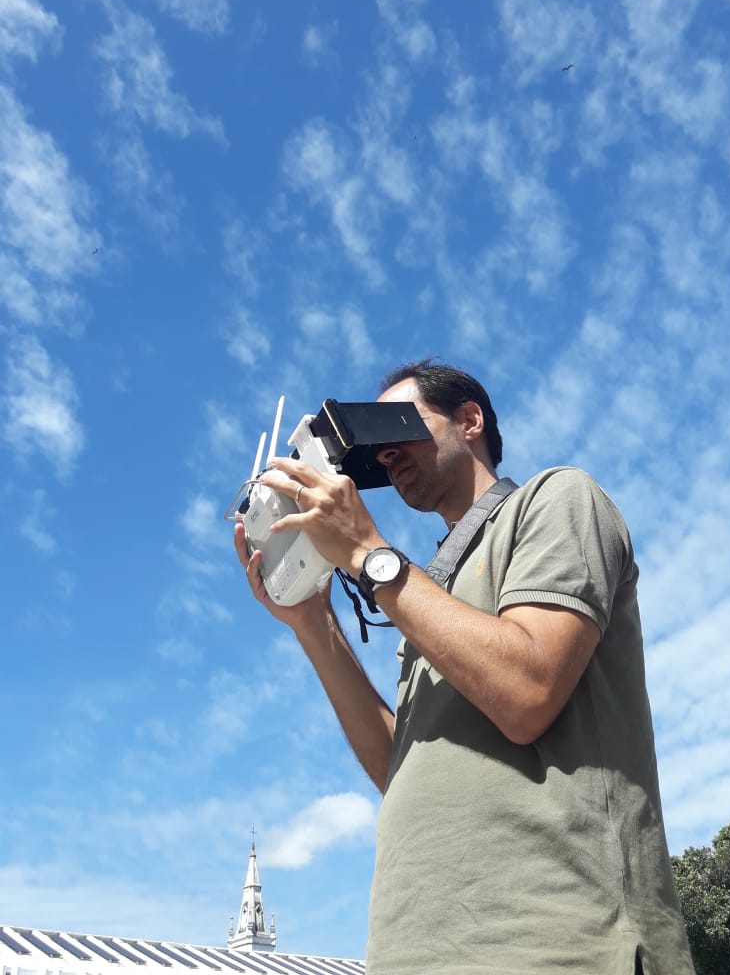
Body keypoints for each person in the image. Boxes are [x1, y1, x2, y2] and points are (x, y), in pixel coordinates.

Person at [234, 359, 694, 975]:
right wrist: (314, 625)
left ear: (469, 420)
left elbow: (528, 691)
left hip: (558, 940)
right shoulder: (430, 597)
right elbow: (397, 765)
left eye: (398, 423)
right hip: (419, 951)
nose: (385, 452)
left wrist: (371, 557)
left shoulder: (556, 499)